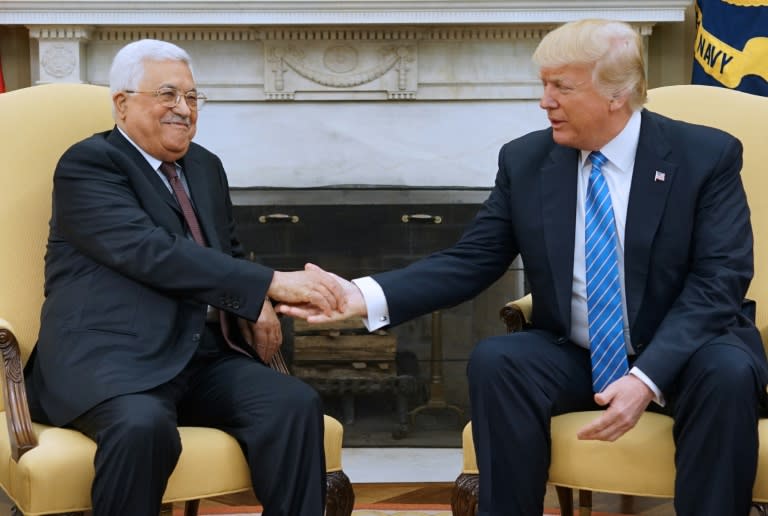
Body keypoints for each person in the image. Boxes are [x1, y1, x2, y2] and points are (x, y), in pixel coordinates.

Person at [279, 19, 768, 516]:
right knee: (499, 360)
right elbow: (471, 261)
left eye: (562, 86)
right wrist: (361, 296)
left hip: (689, 351)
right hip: (579, 353)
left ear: (617, 94)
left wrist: (646, 377)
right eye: (543, 84)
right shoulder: (528, 160)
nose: (545, 101)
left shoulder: (705, 155)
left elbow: (718, 282)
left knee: (727, 373)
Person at [24, 39, 346, 516]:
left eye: (193, 98)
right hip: (114, 362)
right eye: (168, 95)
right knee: (142, 427)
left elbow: (227, 252)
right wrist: (268, 284)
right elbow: (151, 253)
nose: (184, 109)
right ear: (123, 102)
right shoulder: (89, 165)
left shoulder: (205, 166)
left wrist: (254, 301)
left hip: (201, 356)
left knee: (293, 404)